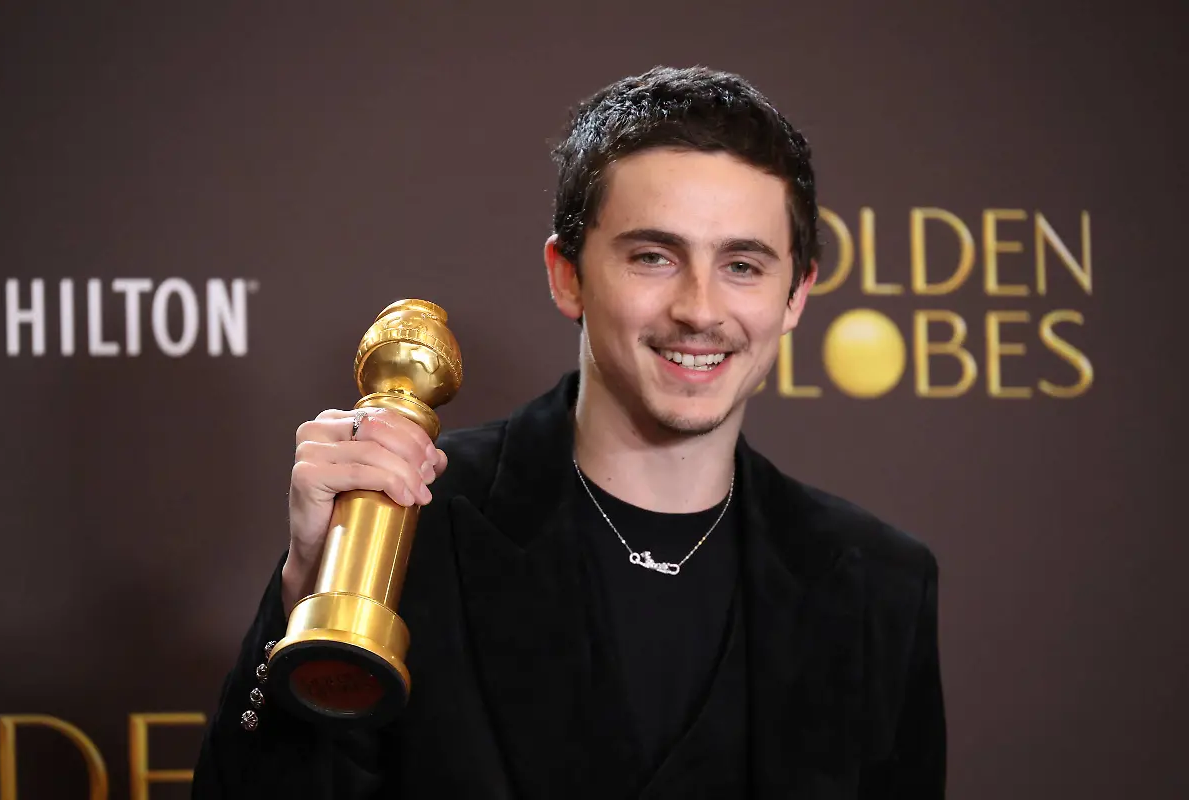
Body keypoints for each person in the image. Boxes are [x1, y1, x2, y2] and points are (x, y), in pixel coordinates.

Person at [192, 65, 945, 799]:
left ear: (796, 295)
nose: (699, 309)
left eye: (742, 265)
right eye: (654, 257)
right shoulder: (408, 523)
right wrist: (307, 591)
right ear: (567, 275)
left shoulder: (879, 584)